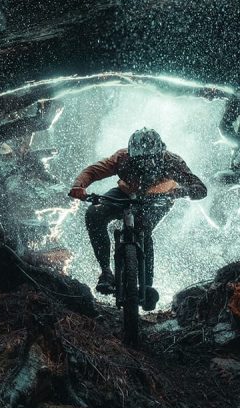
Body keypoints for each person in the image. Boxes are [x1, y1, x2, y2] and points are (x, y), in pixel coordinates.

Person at [68, 128, 207, 302]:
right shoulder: (122, 158)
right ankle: (106, 272)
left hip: (159, 199)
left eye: (150, 159)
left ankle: (146, 285)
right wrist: (79, 186)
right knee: (95, 214)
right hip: (125, 193)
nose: (145, 164)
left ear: (161, 153)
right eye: (139, 160)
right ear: (131, 154)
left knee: (143, 228)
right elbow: (93, 171)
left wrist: (178, 193)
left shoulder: (173, 162)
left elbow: (200, 189)